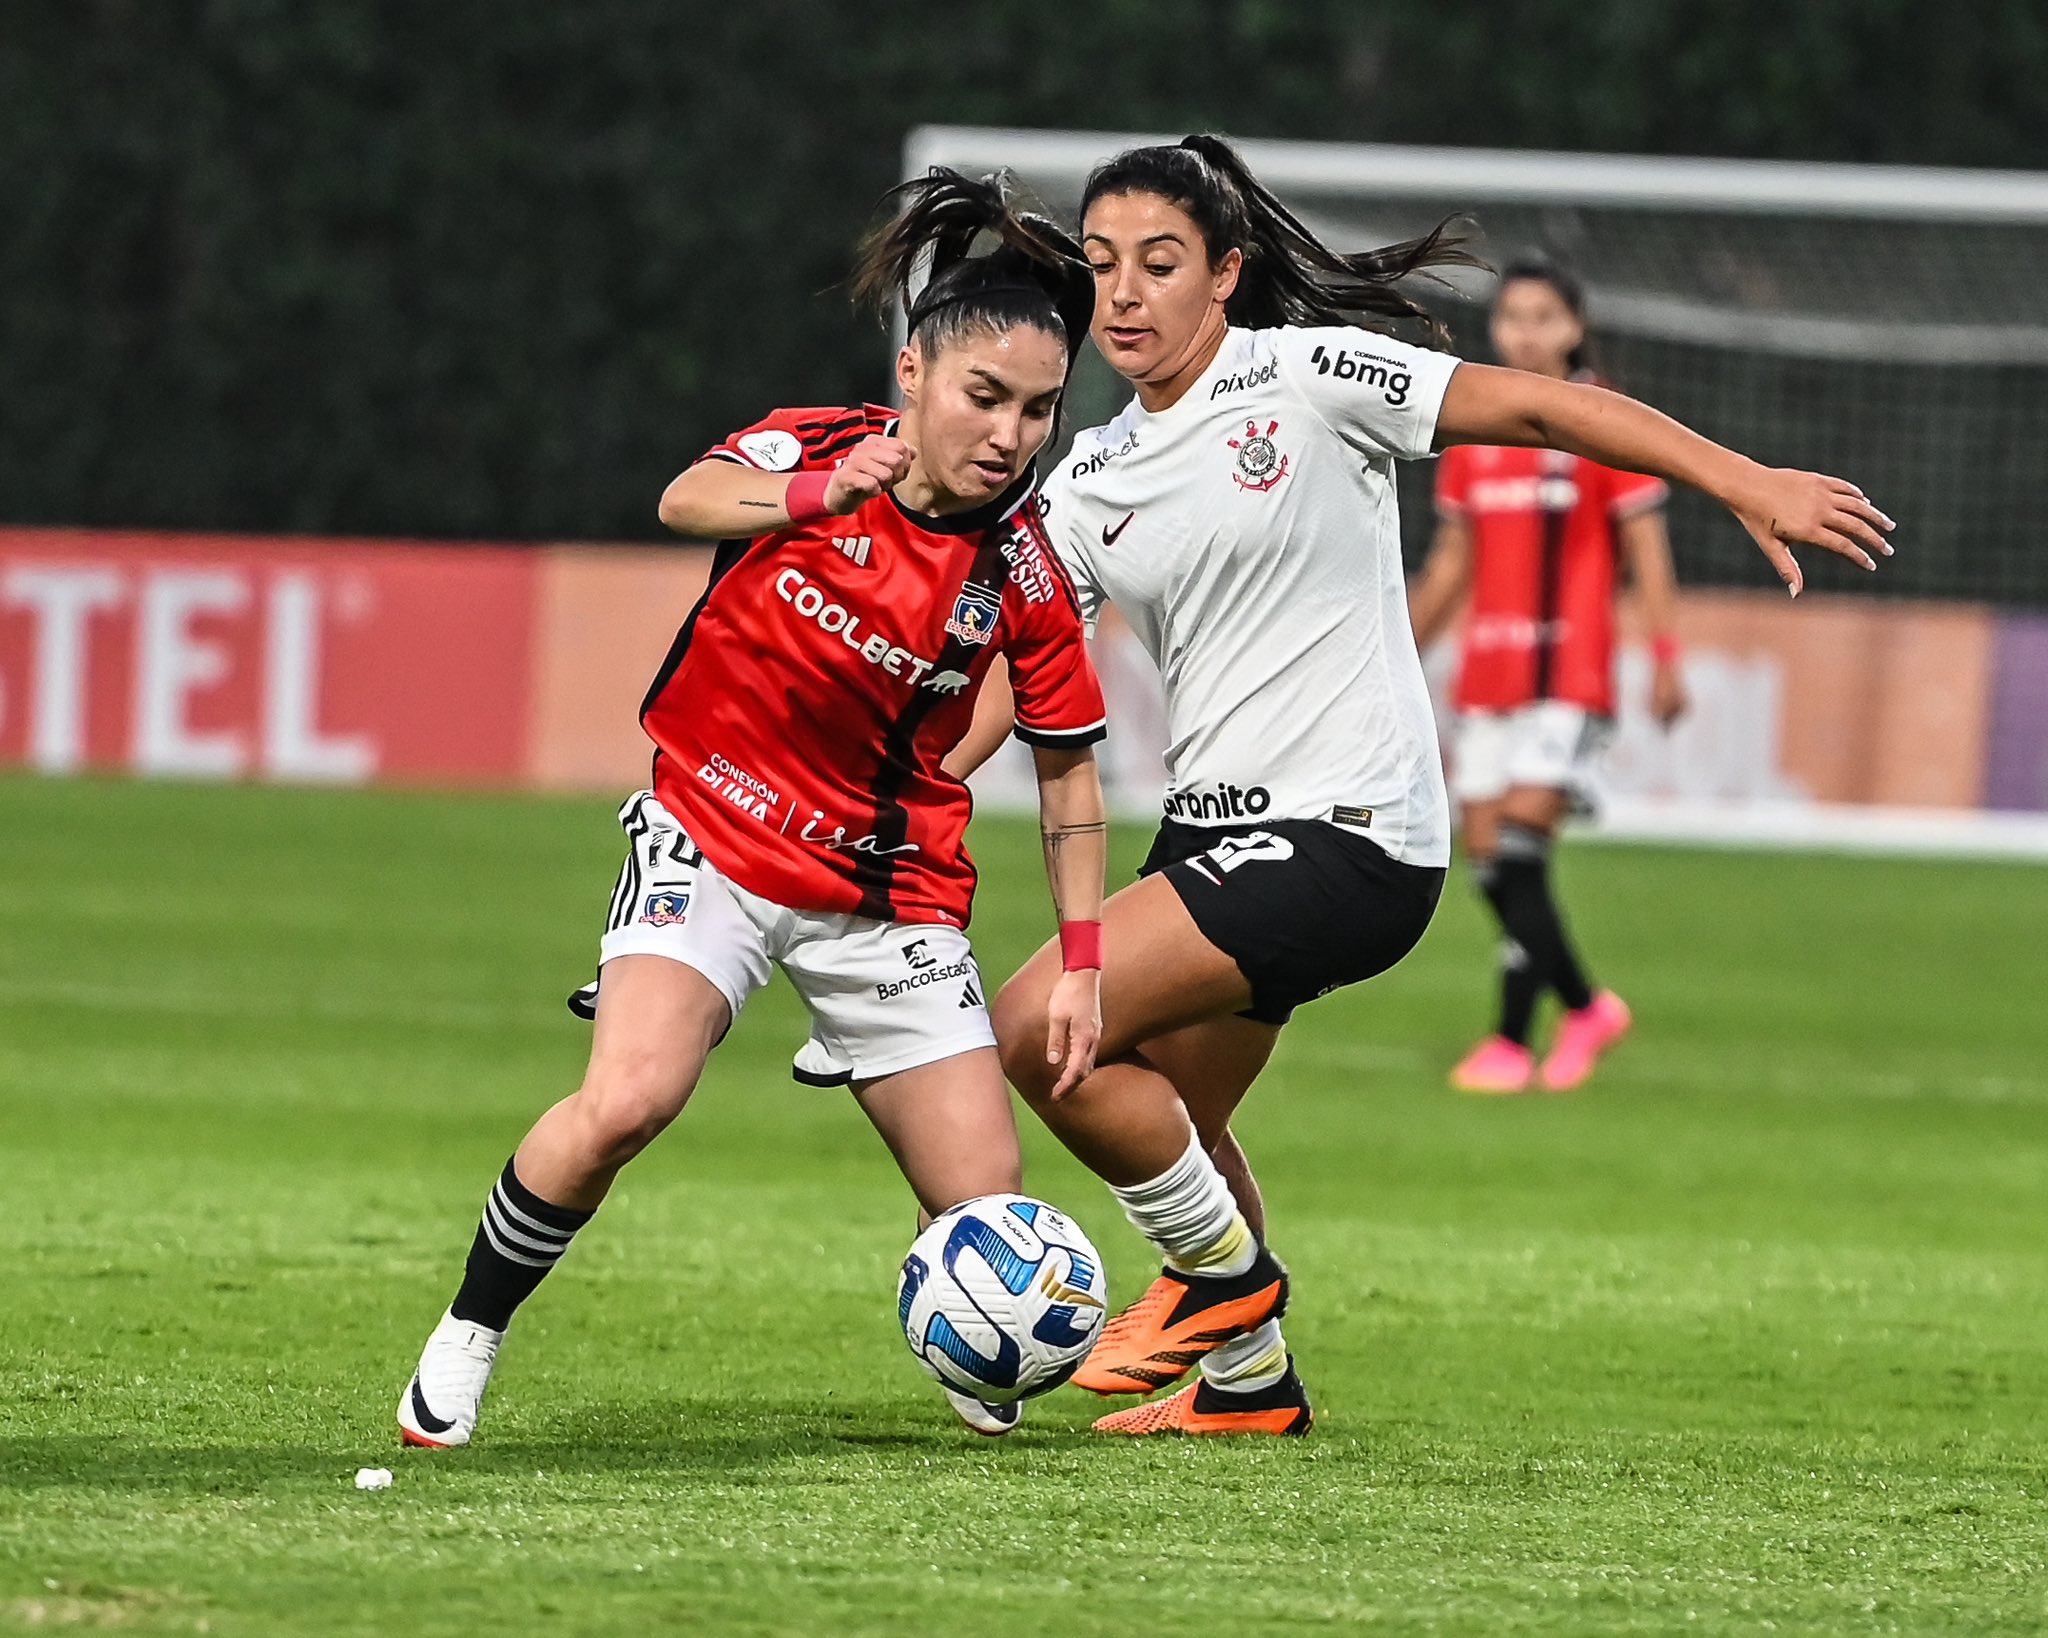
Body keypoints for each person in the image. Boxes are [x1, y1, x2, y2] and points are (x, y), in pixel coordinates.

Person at [964, 135, 1890, 1436]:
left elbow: (1545, 409)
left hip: (1348, 830)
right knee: (1167, 1113)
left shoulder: (1312, 378)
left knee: (1033, 1027)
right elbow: (1013, 668)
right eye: (1105, 265)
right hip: (1210, 838)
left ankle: (1220, 1290)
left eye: (1160, 262)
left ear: (1226, 273)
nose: (1124, 293)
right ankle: (1248, 1386)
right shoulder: (1094, 476)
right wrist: (902, 769)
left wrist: (1748, 483)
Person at [397, 169, 1114, 1448]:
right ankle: (467, 1335)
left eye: (1038, 410)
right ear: (913, 375)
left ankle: (965, 1320)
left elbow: (1066, 770)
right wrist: (815, 498)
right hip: (712, 836)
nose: (1009, 434)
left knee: (984, 1206)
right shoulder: (818, 449)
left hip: (884, 890)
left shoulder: (1025, 571)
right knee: (630, 1099)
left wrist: (1079, 959)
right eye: (983, 397)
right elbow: (683, 500)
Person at [1409, 257, 1688, 1093]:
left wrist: (1666, 657)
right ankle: (1575, 1011)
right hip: (1490, 675)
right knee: (1495, 858)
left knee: (1521, 843)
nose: (1524, 332)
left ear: (1574, 327)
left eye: (1543, 317)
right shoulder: (1476, 433)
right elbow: (1453, 560)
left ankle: (1511, 1036)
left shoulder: (1606, 423)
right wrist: (1400, 651)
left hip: (1569, 672)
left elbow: (1646, 549)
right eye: (1512, 317)